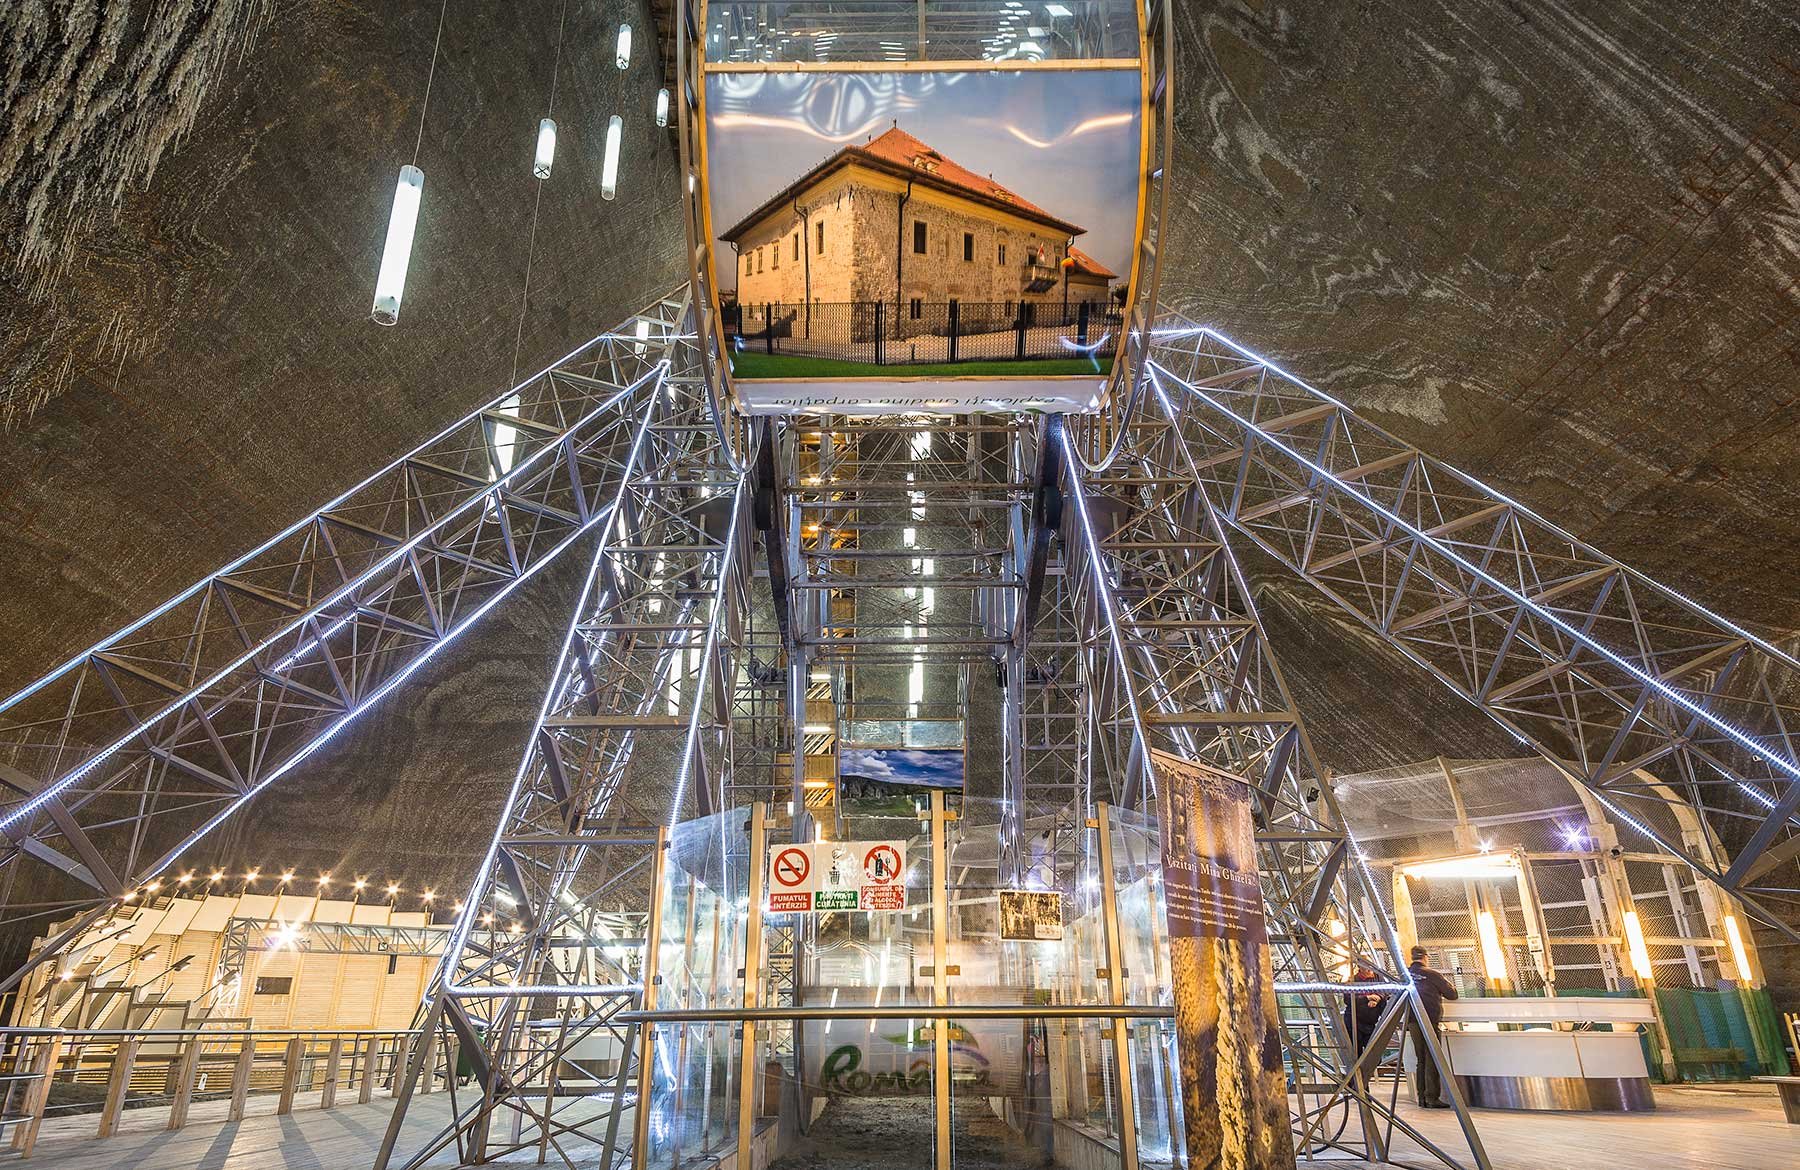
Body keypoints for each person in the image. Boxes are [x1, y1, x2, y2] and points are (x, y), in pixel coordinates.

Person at [1406, 945, 1459, 1108]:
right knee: (1432, 1057)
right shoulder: (1432, 975)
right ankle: (1431, 1097)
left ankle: (1421, 1096)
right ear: (1425, 957)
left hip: (1412, 1020)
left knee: (1420, 1059)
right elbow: (1452, 995)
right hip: (1429, 1020)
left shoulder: (1405, 975)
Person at [1344, 965, 1387, 1058]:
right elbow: (1348, 999)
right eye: (1367, 968)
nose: (1370, 970)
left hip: (1370, 1022)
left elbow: (1386, 990)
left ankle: (1367, 1070)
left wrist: (1377, 998)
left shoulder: (1377, 978)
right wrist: (1367, 998)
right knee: (1356, 1054)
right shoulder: (1353, 980)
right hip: (1355, 1022)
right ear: (1360, 968)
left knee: (1374, 1055)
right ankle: (1361, 1071)